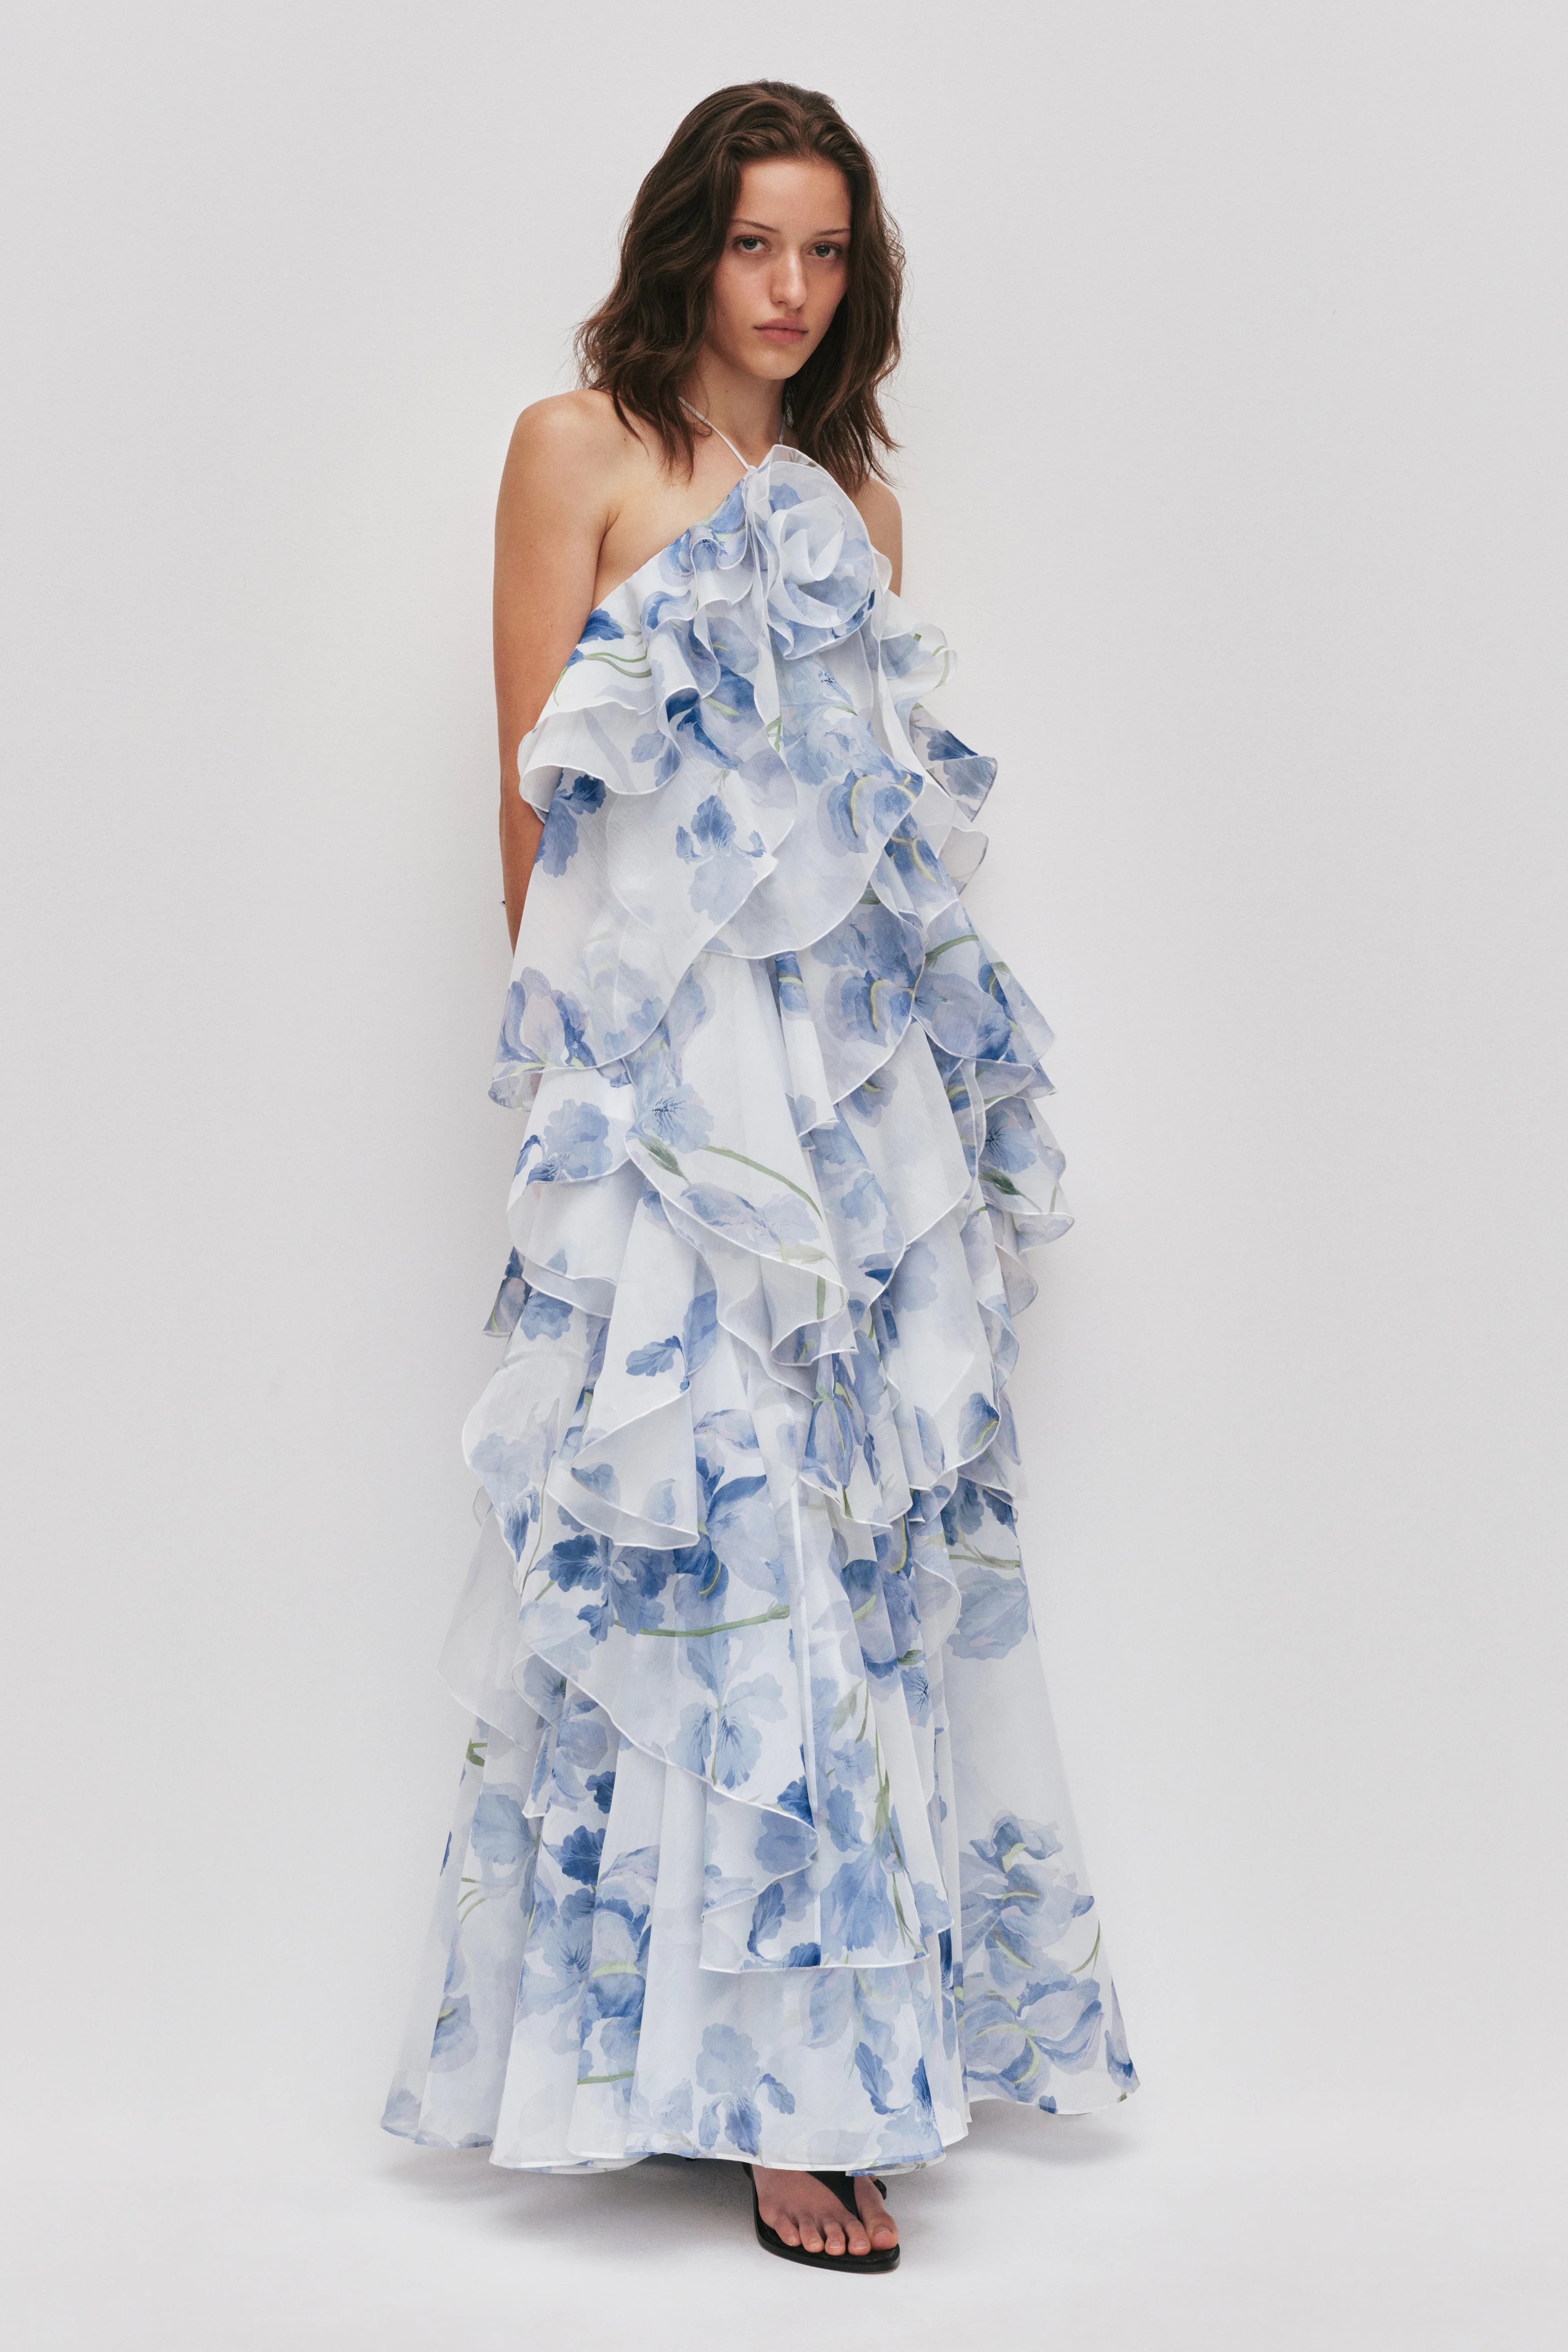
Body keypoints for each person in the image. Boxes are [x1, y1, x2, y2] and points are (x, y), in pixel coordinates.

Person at [383, 78, 1137, 2273]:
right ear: (686, 250)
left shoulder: (855, 506)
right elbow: (532, 794)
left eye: (824, 252)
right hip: (661, 1106)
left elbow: (860, 837)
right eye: (753, 246)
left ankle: (818, 2058)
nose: (791, 290)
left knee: (843, 1543)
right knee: (691, 1548)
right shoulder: (576, 452)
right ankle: (711, 2078)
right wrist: (574, 1092)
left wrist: (924, 1130)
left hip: (844, 1110)